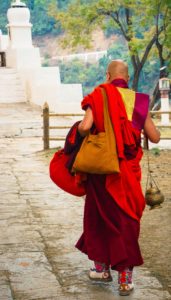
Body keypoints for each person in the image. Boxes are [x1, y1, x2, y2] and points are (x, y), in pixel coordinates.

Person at [75, 60, 160, 296]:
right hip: (128, 174)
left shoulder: (100, 95)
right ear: (127, 76)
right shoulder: (139, 100)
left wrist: (85, 132)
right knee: (127, 221)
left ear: (108, 75)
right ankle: (125, 279)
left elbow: (85, 126)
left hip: (103, 171)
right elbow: (155, 137)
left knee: (99, 217)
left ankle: (102, 269)